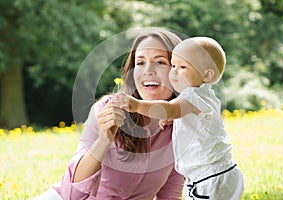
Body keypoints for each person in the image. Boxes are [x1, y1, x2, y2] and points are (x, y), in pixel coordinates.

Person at [33, 28, 184, 200]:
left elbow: (170, 196)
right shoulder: (106, 109)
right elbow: (72, 194)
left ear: (178, 70)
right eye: (140, 63)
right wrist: (103, 141)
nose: (147, 71)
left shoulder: (181, 127)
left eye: (160, 62)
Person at [117, 37, 244, 199]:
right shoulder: (206, 96)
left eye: (183, 67)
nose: (174, 72)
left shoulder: (193, 95)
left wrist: (136, 105)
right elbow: (190, 117)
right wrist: (175, 118)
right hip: (217, 172)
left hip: (208, 176)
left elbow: (169, 109)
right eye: (174, 65)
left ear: (206, 75)